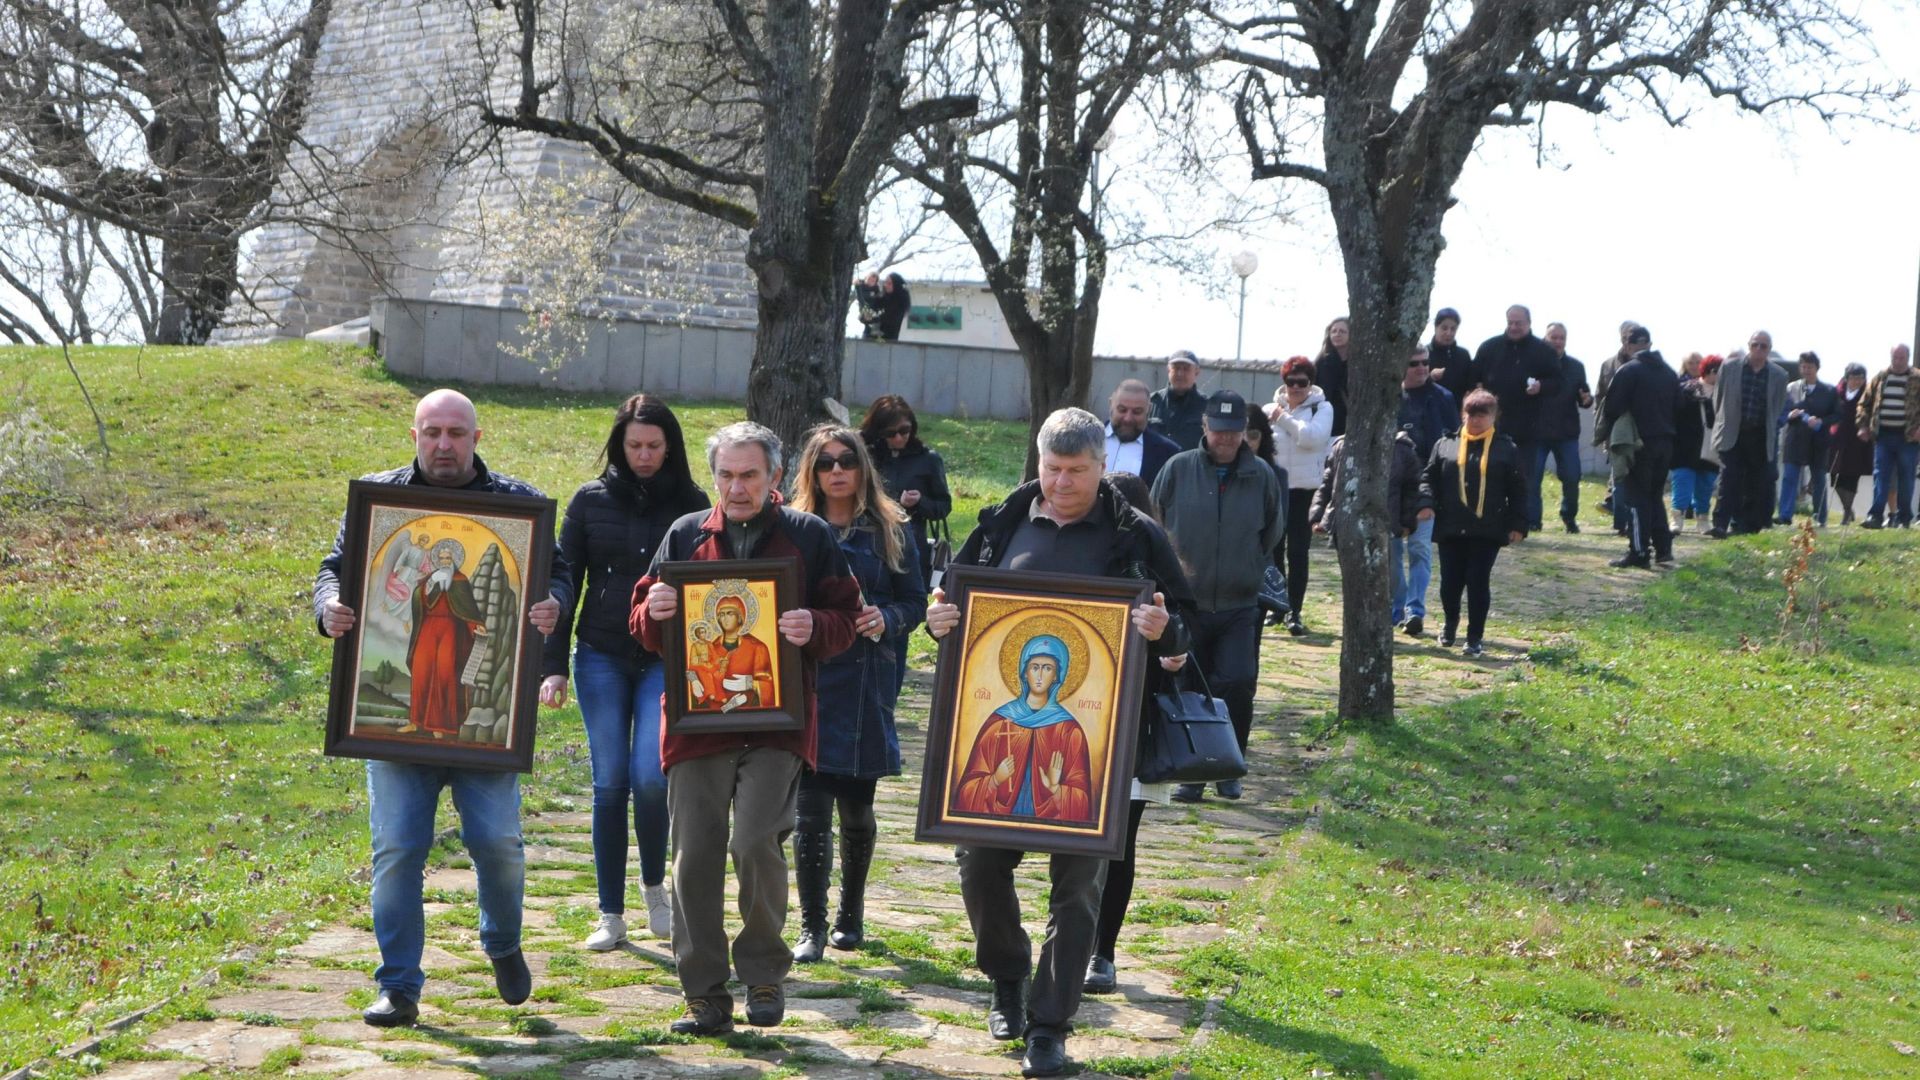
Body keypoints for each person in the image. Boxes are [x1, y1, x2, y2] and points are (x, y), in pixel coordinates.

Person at [924, 408, 1192, 1079]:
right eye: (1053, 469)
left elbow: (1189, 627)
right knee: (980, 865)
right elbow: (951, 602)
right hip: (1000, 742)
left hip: (1095, 747)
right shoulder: (1002, 524)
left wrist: (1165, 632)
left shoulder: (1137, 536)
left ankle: (1050, 1025)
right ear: (1037, 463)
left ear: (1104, 467)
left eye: (1077, 470)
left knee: (1078, 892)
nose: (1064, 482)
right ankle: (1007, 978)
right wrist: (938, 619)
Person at [313, 389, 570, 1027]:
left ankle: (503, 941)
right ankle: (398, 985)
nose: (444, 445)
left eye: (457, 433)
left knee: (498, 844)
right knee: (398, 848)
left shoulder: (515, 504)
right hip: (404, 709)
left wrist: (551, 604)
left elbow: (555, 573)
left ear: (476, 438)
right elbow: (335, 570)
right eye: (433, 432)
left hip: (484, 719)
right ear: (415, 435)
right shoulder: (381, 501)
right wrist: (329, 608)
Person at [632, 422, 862, 1036]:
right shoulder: (685, 534)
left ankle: (763, 974)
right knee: (695, 857)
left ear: (774, 478)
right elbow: (645, 622)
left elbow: (847, 616)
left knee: (757, 840)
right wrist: (654, 612)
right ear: (714, 478)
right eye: (727, 476)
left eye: (749, 475)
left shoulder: (807, 537)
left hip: (777, 725)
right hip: (695, 726)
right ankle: (704, 994)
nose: (737, 488)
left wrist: (813, 625)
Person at [540, 395, 710, 953]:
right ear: (619, 445)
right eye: (634, 445)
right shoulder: (590, 501)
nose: (643, 456)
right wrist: (553, 667)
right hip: (601, 654)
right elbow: (563, 585)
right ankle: (610, 913)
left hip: (664, 657)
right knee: (609, 782)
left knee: (649, 777)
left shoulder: (694, 505)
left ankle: (655, 890)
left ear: (671, 447)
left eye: (654, 447)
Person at [786, 427, 925, 962]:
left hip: (869, 678)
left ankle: (851, 913)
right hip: (812, 677)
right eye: (825, 463)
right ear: (812, 472)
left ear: (863, 467)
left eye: (847, 461)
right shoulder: (796, 528)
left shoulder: (890, 529)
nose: (837, 471)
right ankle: (811, 926)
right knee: (810, 808)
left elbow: (913, 601)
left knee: (856, 808)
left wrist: (885, 617)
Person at [1151, 390, 1283, 804]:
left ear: (1245, 432)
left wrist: (1243, 566)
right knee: (1188, 684)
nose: (1226, 440)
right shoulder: (1178, 469)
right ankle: (1192, 771)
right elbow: (1155, 522)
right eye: (1218, 431)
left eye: (1234, 432)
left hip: (1239, 603)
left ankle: (1229, 766)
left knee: (1238, 682)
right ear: (1205, 429)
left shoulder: (1261, 474)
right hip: (1186, 601)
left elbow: (1272, 532)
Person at [1085, 471, 1178, 998]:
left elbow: (1182, 644)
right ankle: (1076, 943)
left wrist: (1173, 652)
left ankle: (1104, 952)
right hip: (1081, 720)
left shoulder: (1157, 572)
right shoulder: (1078, 562)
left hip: (1134, 726)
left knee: (1119, 845)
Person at [1417, 390, 1527, 657]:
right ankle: (1450, 622)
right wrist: (1425, 503)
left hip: (1488, 528)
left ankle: (1475, 636)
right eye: (1471, 414)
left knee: (1478, 580)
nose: (1476, 420)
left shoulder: (1506, 448)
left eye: (1482, 414)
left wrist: (1518, 525)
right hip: (1451, 526)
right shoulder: (1445, 444)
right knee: (1450, 583)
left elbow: (1519, 490)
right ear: (1462, 414)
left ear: (1494, 416)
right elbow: (1428, 478)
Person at [1311, 425, 1421, 627]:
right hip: (1347, 522)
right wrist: (1318, 516)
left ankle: (1395, 614)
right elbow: (1328, 484)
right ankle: (1357, 618)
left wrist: (1407, 521)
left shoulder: (1402, 449)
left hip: (1387, 522)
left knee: (1390, 571)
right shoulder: (1342, 445)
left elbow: (1411, 488)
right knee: (1353, 574)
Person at [1469, 304, 1560, 532]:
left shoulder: (1543, 351)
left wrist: (1541, 386)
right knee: (1489, 474)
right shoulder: (1490, 347)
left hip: (1528, 427)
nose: (1514, 327)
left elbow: (1558, 382)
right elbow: (1474, 378)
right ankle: (1488, 518)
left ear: (1529, 323)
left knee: (1523, 479)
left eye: (1519, 323)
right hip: (1492, 426)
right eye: (1510, 322)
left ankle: (1520, 523)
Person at [1265, 356, 1334, 637]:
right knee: (1274, 550)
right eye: (1290, 381)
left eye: (1302, 382)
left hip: (1306, 490)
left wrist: (1284, 419)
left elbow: (1312, 438)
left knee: (1298, 552)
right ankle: (1277, 606)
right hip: (1276, 487)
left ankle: (1295, 610)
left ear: (1310, 383)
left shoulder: (1322, 407)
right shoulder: (1269, 407)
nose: (1295, 387)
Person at [1601, 326, 1679, 569]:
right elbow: (1680, 405)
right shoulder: (1669, 372)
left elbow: (1612, 407)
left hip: (1639, 443)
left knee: (1636, 499)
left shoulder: (1628, 371)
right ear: (1650, 344)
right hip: (1666, 442)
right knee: (1654, 496)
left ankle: (1639, 551)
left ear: (1628, 345)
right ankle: (1663, 549)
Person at [1393, 347, 1455, 635]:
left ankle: (1414, 610)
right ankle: (1397, 607)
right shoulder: (1390, 396)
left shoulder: (1443, 398)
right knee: (1392, 552)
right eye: (1413, 363)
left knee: (1419, 549)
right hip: (1393, 485)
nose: (1421, 368)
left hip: (1428, 483)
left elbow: (1453, 443)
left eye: (1425, 363)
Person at [862, 395, 951, 586]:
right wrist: (895, 502)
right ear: (879, 432)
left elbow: (943, 506)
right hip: (871, 540)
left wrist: (920, 502)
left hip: (910, 542)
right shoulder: (867, 457)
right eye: (891, 433)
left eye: (905, 431)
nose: (899, 437)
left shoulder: (928, 459)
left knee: (910, 601)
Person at [1707, 330, 1789, 538]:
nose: (1759, 349)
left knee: (1755, 481)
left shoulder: (1779, 375)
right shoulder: (1730, 367)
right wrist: (1722, 424)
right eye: (1755, 345)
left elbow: (1778, 405)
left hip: (1760, 435)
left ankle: (1746, 525)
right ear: (1749, 345)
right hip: (1733, 432)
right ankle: (1720, 524)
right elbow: (1718, 398)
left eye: (1764, 346)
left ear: (1769, 349)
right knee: (1729, 478)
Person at [1536, 322, 1593, 533]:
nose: (1558, 342)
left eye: (1561, 338)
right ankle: (1534, 520)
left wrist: (1587, 400)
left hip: (1566, 431)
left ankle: (1569, 517)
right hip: (1537, 431)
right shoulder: (1535, 364)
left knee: (1572, 475)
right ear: (1545, 339)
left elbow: (1584, 398)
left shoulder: (1576, 367)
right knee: (1532, 477)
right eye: (1554, 337)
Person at [1242, 404, 1293, 625]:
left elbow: (1277, 527)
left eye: (1252, 435)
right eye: (1239, 434)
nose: (1245, 442)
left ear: (1264, 438)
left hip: (1256, 567)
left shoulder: (1275, 474)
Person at [1858, 344, 1919, 529]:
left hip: (1908, 437)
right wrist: (1862, 425)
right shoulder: (1881, 377)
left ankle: (1903, 518)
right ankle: (1875, 516)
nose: (1898, 361)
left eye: (1902, 358)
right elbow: (1864, 403)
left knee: (1906, 477)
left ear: (1908, 358)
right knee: (1881, 476)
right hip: (1883, 435)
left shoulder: (1917, 378)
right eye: (1895, 357)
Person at [1777, 352, 1840, 526]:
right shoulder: (1791, 388)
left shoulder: (1829, 390)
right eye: (1803, 366)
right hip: (1795, 439)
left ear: (1816, 368)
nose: (1806, 370)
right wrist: (1791, 414)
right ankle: (1785, 515)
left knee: (1819, 479)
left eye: (1810, 367)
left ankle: (1820, 517)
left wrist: (1821, 421)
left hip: (1818, 441)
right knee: (1790, 477)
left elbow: (1837, 415)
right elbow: (1782, 412)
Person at [1593, 320, 1642, 534]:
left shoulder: (1646, 365)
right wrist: (1601, 426)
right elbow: (1600, 396)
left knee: (1636, 476)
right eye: (1625, 335)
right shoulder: (1608, 364)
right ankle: (1621, 523)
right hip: (1614, 429)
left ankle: (1634, 521)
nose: (1627, 340)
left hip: (1640, 428)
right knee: (1619, 474)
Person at [1670, 355, 1721, 531]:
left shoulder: (1722, 394)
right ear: (1707, 370)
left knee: (1705, 487)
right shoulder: (1687, 389)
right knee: (1682, 483)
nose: (1718, 375)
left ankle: (1703, 521)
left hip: (1710, 447)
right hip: (1685, 447)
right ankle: (1677, 520)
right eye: (1716, 371)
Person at [1104, 379, 1181, 487]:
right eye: (1122, 410)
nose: (1128, 419)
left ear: (1148, 410)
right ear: (1111, 404)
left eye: (1137, 412)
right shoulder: (1087, 440)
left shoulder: (1167, 453)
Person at [1830, 362, 1874, 524]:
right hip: (1838, 440)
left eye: (1860, 378)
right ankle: (1848, 508)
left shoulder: (1867, 394)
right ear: (1847, 378)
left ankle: (1847, 512)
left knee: (1851, 477)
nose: (1856, 381)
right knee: (1835, 477)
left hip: (1857, 442)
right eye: (1853, 378)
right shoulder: (1837, 392)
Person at [1149, 350, 1207, 451]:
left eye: (1186, 369)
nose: (1180, 374)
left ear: (1197, 372)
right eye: (1176, 368)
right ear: (1168, 370)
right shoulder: (1151, 402)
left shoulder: (1207, 406)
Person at [1428, 307, 1474, 402]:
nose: (1448, 333)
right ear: (1436, 327)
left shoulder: (1463, 355)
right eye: (1444, 328)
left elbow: (1470, 387)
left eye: (1453, 329)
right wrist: (1430, 377)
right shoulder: (1423, 354)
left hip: (1456, 412)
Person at [1314, 317, 1350, 437]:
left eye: (1342, 331)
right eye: (1334, 331)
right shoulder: (1321, 361)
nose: (1337, 334)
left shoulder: (1357, 363)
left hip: (1348, 419)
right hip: (1325, 418)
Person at [874, 272, 911, 341]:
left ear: (896, 285)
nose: (886, 285)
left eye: (889, 283)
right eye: (885, 283)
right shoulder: (880, 298)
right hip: (871, 337)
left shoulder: (901, 302)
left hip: (889, 339)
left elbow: (891, 321)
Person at [854, 272, 883, 340]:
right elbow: (861, 299)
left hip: (874, 312)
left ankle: (872, 335)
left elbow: (878, 301)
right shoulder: (861, 286)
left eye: (873, 281)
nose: (870, 282)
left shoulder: (876, 289)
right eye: (869, 279)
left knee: (872, 326)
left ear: (875, 282)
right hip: (864, 311)